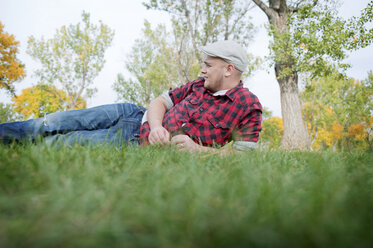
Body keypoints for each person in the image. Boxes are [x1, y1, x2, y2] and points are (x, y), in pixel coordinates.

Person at [0, 40, 262, 152]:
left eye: (208, 64)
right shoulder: (198, 84)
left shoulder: (247, 106)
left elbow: (243, 155)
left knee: (63, 143)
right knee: (51, 122)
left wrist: (196, 150)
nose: (202, 69)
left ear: (229, 69)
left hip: (133, 139)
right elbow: (160, 102)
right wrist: (157, 125)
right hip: (130, 113)